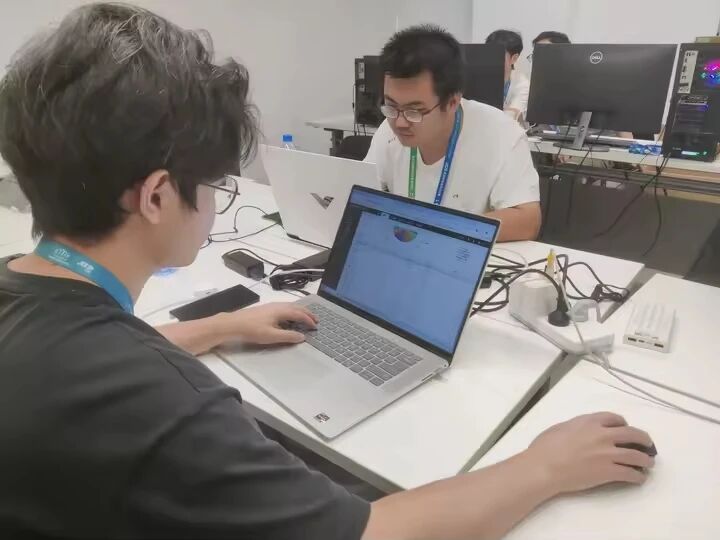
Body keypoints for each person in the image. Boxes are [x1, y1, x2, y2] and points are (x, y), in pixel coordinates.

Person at [0, 4, 657, 539]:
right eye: (216, 183)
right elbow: (374, 532)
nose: (217, 200)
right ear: (156, 196)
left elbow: (108, 354)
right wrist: (543, 467)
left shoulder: (24, 297)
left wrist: (221, 326)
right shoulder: (171, 411)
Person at [366, 25, 541, 242]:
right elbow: (361, 193)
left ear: (452, 102)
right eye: (391, 106)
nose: (400, 122)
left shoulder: (503, 134)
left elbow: (527, 220)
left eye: (415, 111)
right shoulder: (388, 128)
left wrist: (436, 228)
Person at [485, 29, 530, 120]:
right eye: (489, 53)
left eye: (498, 54)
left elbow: (512, 115)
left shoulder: (523, 84)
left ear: (514, 58)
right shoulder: (479, 78)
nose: (492, 59)